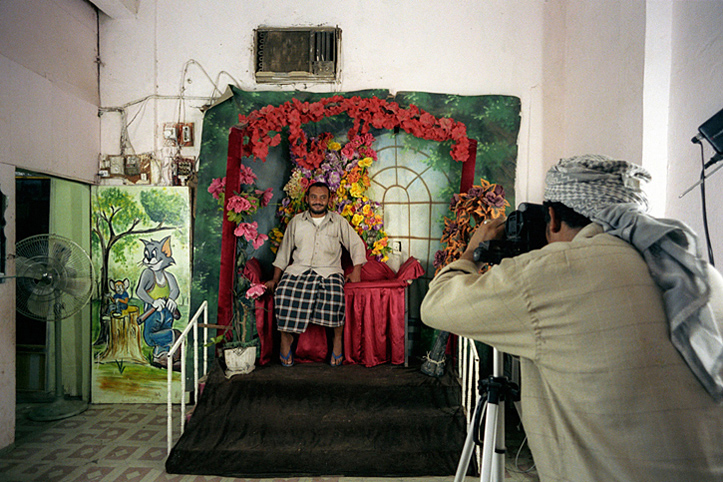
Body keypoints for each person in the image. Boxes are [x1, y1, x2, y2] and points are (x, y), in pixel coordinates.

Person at [421, 154, 723, 481]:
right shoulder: (700, 274)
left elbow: (435, 304)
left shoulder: (553, 272)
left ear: (552, 217)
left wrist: (471, 252)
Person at [265, 182, 366, 367]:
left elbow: (357, 245)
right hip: (298, 270)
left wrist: (356, 271)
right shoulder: (296, 222)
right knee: (283, 292)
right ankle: (286, 340)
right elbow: (284, 252)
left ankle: (337, 341)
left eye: (322, 197)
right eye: (314, 197)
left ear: (329, 200)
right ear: (307, 198)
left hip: (329, 271)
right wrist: (275, 279)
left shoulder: (338, 222)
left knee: (336, 297)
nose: (318, 201)